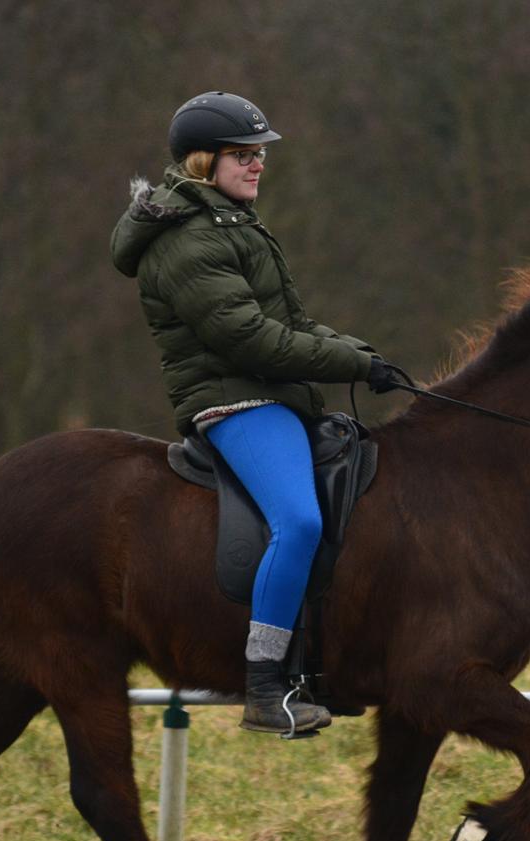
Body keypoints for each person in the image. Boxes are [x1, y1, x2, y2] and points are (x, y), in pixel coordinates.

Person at [111, 90, 401, 736]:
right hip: (234, 399)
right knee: (297, 521)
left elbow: (290, 322)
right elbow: (248, 338)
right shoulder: (187, 240)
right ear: (200, 163)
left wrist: (363, 352)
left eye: (260, 154)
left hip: (274, 393)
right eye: (243, 155)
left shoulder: (233, 223)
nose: (258, 165)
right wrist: (349, 365)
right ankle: (266, 687)